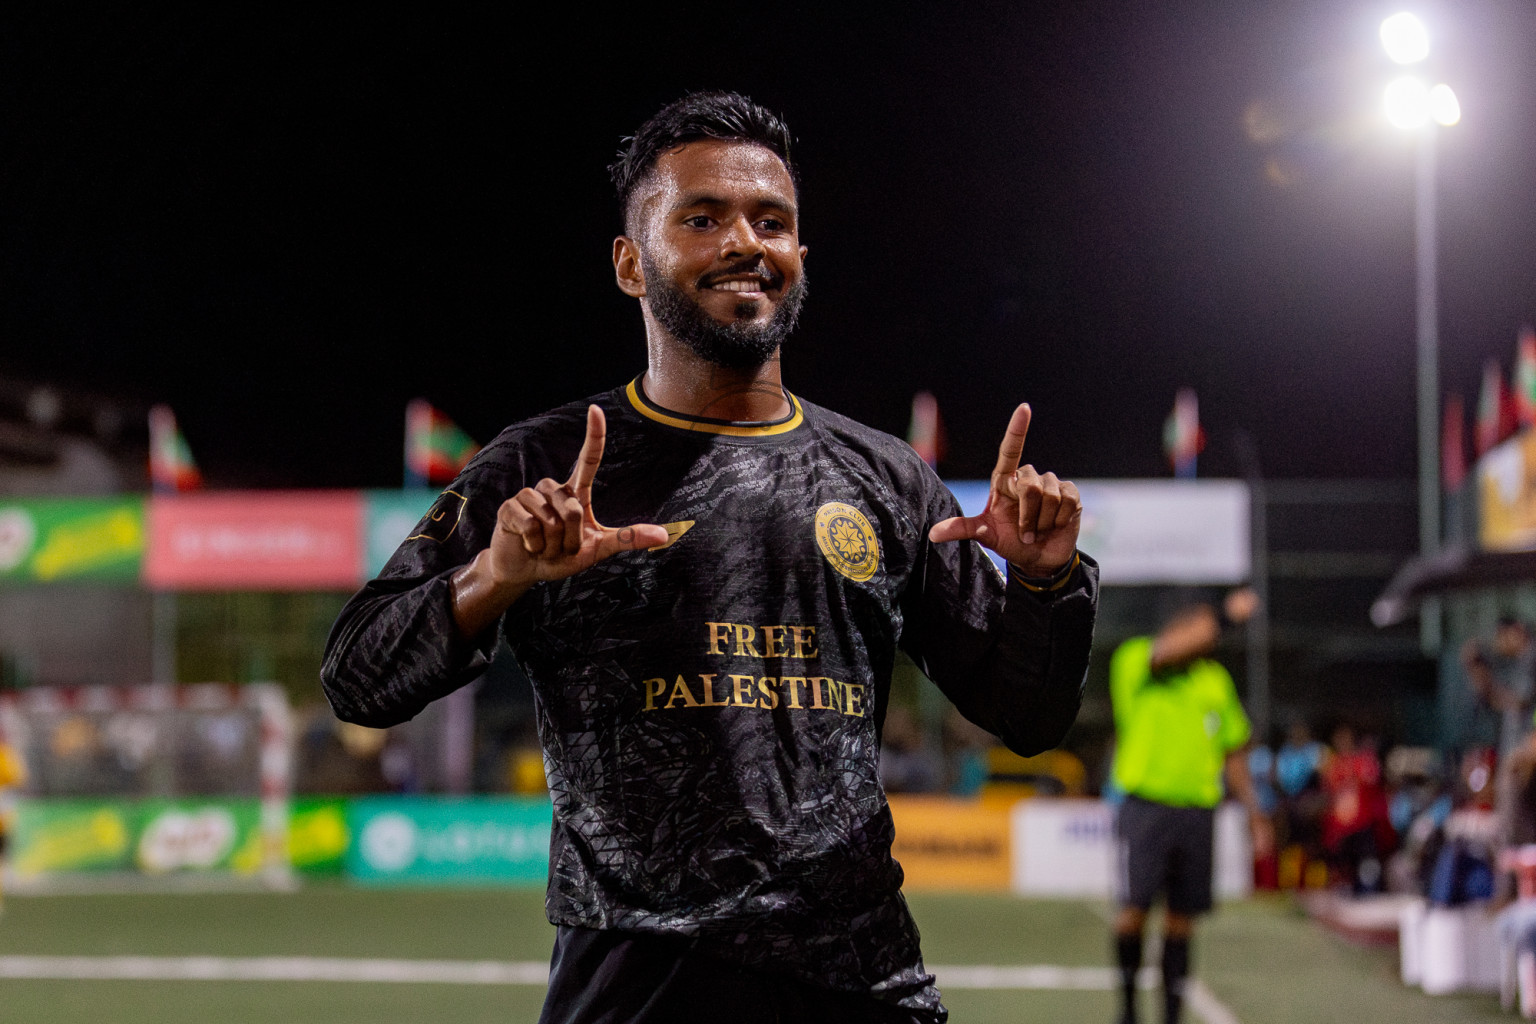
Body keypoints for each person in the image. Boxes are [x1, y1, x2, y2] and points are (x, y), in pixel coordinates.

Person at [320, 91, 1098, 1024]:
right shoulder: (544, 465)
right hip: (637, 988)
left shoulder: (885, 477)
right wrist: (495, 577)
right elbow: (357, 677)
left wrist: (1047, 581)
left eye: (772, 221)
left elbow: (1029, 714)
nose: (746, 241)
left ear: (800, 256)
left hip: (862, 981)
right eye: (703, 218)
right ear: (629, 263)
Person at [1108, 588, 1271, 1024]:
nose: (1209, 635)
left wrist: (1256, 813)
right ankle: (1127, 1012)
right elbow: (1170, 652)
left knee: (1181, 920)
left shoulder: (1216, 680)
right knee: (1133, 912)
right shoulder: (1137, 659)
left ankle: (1171, 1016)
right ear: (1179, 627)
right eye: (1199, 625)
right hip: (1146, 808)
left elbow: (1233, 752)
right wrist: (1225, 615)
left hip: (1198, 812)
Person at [1462, 617, 1536, 900]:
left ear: (1515, 631)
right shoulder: (1518, 664)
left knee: (1519, 834)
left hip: (1523, 762)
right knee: (1512, 834)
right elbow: (1502, 701)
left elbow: (1519, 701)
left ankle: (1516, 897)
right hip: (1514, 758)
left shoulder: (1531, 659)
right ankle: (1514, 895)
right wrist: (1480, 675)